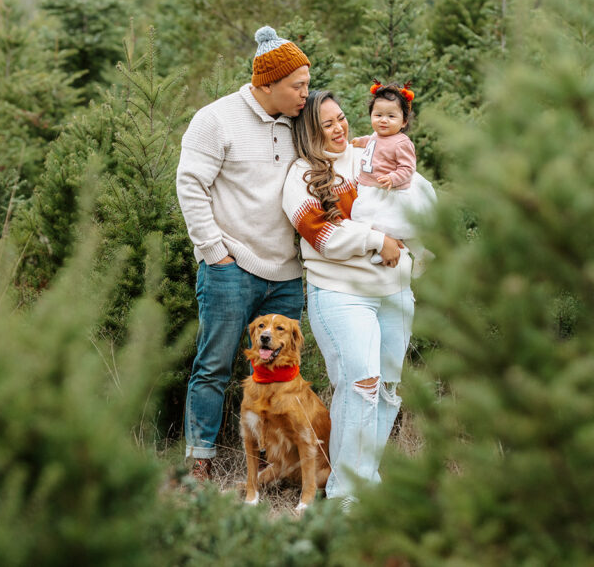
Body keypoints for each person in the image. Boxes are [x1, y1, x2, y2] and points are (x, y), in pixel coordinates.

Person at [176, 26, 311, 482]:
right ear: (267, 83)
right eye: (298, 85)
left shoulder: (299, 123)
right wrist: (214, 252)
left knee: (284, 372)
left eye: (308, 85)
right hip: (231, 268)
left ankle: (279, 467)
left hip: (286, 274)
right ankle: (201, 462)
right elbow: (190, 183)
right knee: (214, 365)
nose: (305, 95)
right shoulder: (215, 119)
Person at [281, 89, 415, 505]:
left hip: (394, 292)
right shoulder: (300, 176)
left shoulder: (368, 155)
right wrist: (378, 240)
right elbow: (322, 235)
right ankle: (346, 500)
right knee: (361, 385)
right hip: (341, 293)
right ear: (308, 131)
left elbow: (412, 194)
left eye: (342, 118)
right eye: (327, 123)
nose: (340, 128)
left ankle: (360, 484)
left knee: (388, 390)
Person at [350, 80, 436, 265]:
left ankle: (393, 250)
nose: (383, 120)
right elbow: (373, 142)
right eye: (378, 114)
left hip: (390, 191)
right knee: (370, 218)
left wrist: (392, 178)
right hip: (371, 186)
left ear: (404, 121)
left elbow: (407, 168)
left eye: (391, 116)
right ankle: (420, 254)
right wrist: (360, 141)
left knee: (386, 222)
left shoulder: (401, 143)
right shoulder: (376, 135)